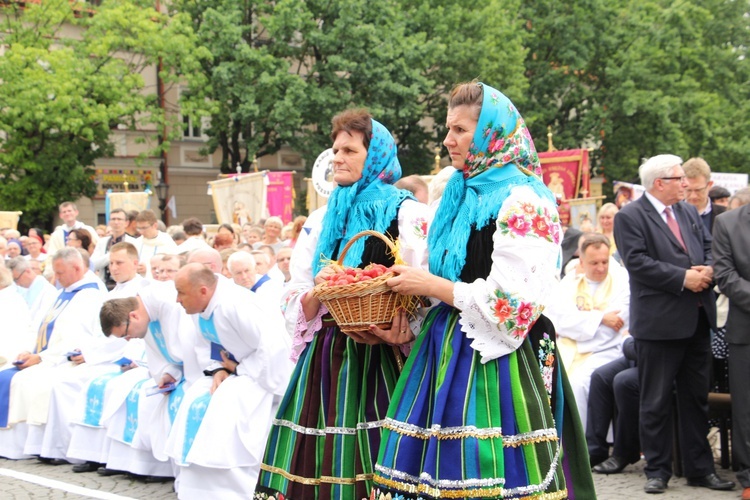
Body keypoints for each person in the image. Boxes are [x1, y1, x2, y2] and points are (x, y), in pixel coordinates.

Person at [369, 82, 593, 499]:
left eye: (459, 130)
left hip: (501, 355)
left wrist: (431, 285)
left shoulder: (524, 198)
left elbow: (514, 306)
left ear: (491, 133)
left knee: (489, 473)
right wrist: (409, 321)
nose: (447, 139)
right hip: (442, 348)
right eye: (448, 128)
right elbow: (439, 281)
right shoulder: (456, 194)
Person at [256, 109, 431, 499]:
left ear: (377, 155)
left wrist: (407, 324)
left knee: (380, 461)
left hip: (383, 354)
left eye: (349, 149)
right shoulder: (320, 219)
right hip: (327, 355)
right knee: (317, 460)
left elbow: (429, 285)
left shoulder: (407, 213)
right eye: (335, 149)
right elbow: (293, 288)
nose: (337, 157)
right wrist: (317, 292)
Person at [613, 154, 734, 494]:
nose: (686, 184)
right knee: (656, 400)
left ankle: (700, 469)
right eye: (679, 179)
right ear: (659, 183)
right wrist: (683, 278)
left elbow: (708, 246)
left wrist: (707, 269)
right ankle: (658, 470)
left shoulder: (686, 211)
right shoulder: (630, 216)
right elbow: (637, 263)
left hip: (697, 319)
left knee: (696, 399)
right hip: (659, 325)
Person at [165, 264, 293, 499]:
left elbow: (273, 347)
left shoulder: (236, 305)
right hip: (235, 371)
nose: (177, 299)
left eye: (181, 292)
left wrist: (240, 369)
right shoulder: (200, 310)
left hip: (261, 376)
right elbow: (207, 346)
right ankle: (196, 487)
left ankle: (234, 489)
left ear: (203, 291)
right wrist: (218, 370)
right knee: (194, 397)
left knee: (227, 409)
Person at [0, 249, 107, 459]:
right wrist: (30, 350)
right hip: (47, 356)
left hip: (66, 360)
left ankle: (42, 447)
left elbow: (74, 339)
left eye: (60, 273)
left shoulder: (90, 295)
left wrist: (40, 357)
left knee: (26, 382)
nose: (56, 278)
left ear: (77, 268)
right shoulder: (63, 291)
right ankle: (12, 446)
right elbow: (42, 326)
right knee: (7, 376)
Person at [545, 232, 630, 430]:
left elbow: (617, 323)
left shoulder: (622, 283)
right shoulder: (569, 284)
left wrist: (580, 324)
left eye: (604, 262)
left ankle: (585, 444)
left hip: (606, 351)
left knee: (578, 382)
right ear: (581, 261)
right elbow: (559, 319)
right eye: (594, 263)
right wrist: (600, 317)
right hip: (568, 349)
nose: (601, 268)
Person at [712, 197, 750, 500]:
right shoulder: (727, 223)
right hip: (746, 331)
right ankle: (748, 475)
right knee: (747, 408)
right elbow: (725, 276)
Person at [587, 336, 641, 473]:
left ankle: (623, 452)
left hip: (658, 357)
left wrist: (627, 341)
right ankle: (595, 451)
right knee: (600, 376)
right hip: (638, 352)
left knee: (623, 381)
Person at [91, 208, 137, 290]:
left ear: (126, 223)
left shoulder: (134, 242)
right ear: (109, 223)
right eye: (113, 219)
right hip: (105, 285)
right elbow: (92, 264)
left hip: (127, 285)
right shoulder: (102, 242)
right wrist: (111, 256)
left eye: (119, 219)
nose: (116, 222)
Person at [682, 157, 726, 233]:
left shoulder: (725, 214)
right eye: (688, 190)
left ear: (709, 185)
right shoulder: (671, 214)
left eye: (698, 190)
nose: (693, 196)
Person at [132, 210, 177, 278]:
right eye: (139, 228)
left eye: (144, 228)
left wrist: (147, 270)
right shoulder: (137, 242)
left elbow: (173, 265)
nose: (141, 232)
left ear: (155, 225)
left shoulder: (166, 241)